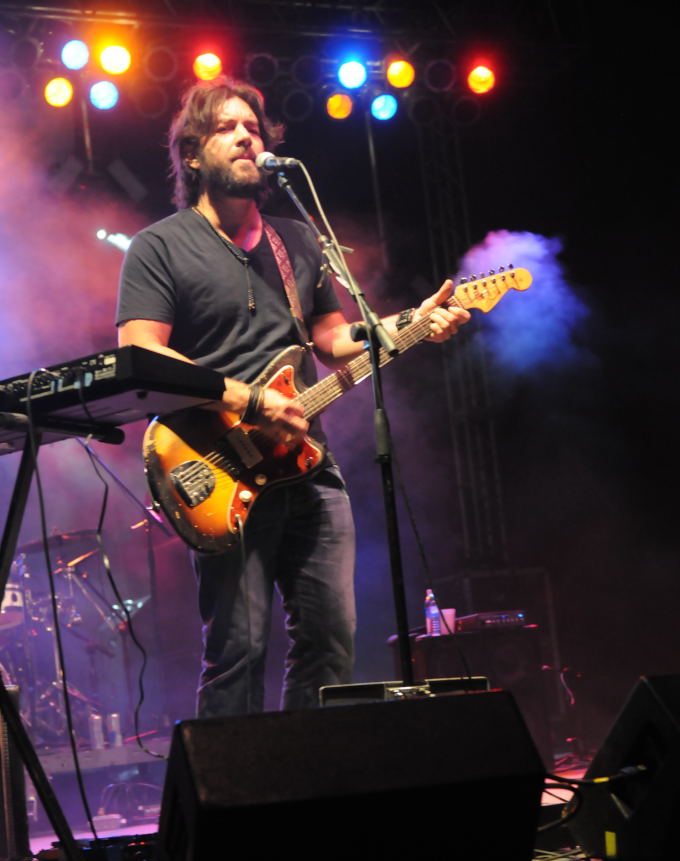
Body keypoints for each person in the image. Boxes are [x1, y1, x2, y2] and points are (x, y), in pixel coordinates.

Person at [116, 77, 470, 717]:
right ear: (192, 155)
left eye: (253, 128)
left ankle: (310, 774)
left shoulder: (296, 241)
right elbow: (141, 353)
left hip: (308, 465)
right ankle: (232, 781)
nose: (245, 137)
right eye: (226, 127)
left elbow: (333, 338)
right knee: (238, 651)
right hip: (218, 468)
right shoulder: (159, 246)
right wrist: (249, 401)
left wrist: (409, 323)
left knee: (331, 643)